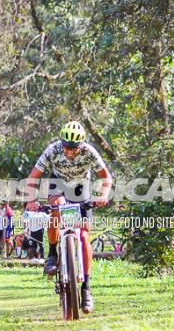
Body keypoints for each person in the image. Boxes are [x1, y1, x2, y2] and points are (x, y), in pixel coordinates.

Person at [24, 121, 112, 314]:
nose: (70, 152)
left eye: (74, 148)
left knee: (82, 236)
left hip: (82, 188)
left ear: (81, 144)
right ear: (61, 142)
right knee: (57, 206)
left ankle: (86, 288)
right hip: (58, 185)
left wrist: (103, 195)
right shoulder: (52, 150)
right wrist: (31, 199)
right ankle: (53, 252)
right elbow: (34, 176)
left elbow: (106, 177)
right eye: (67, 147)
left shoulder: (89, 151)